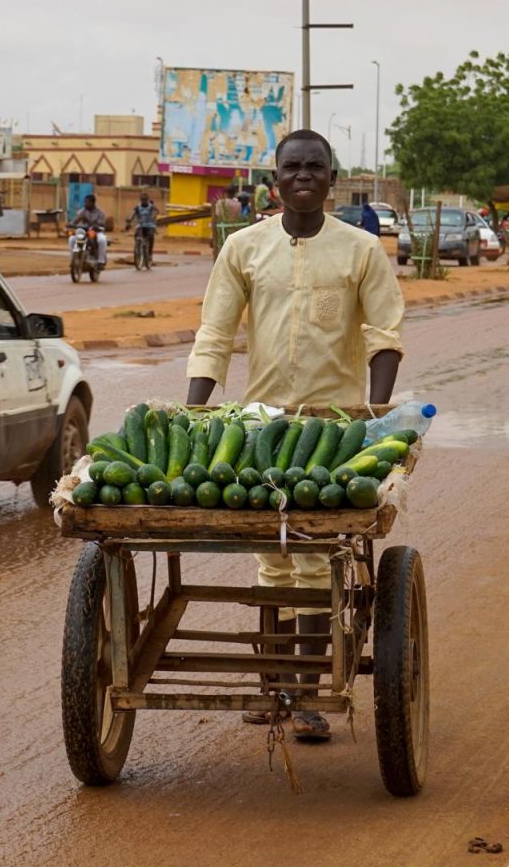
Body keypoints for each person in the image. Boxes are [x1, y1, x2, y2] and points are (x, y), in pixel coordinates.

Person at [186, 129, 404, 742]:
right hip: (261, 428)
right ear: (275, 178)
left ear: (332, 179)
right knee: (273, 560)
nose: (303, 176)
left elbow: (384, 336)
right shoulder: (244, 249)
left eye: (315, 167)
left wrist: (378, 411)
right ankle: (275, 684)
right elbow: (214, 334)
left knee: (313, 559)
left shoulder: (361, 252)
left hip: (333, 433)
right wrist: (193, 412)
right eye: (292, 167)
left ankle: (306, 692)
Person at [71, 193, 108, 268]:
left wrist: (95, 225)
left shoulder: (100, 212)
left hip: (97, 232)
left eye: (87, 202)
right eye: (85, 202)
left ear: (93, 203)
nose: (85, 204)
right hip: (84, 231)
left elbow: (102, 223)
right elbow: (76, 220)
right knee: (72, 239)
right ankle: (74, 259)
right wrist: (70, 224)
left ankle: (101, 261)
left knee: (102, 240)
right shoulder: (82, 211)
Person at [125, 191, 159, 260]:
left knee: (151, 236)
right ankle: (138, 247)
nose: (144, 201)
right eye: (142, 200)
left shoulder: (151, 206)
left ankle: (150, 253)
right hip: (141, 224)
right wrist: (130, 220)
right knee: (136, 234)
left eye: (145, 200)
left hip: (150, 225)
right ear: (140, 200)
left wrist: (153, 215)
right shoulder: (138, 207)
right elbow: (133, 213)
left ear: (147, 200)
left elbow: (156, 211)